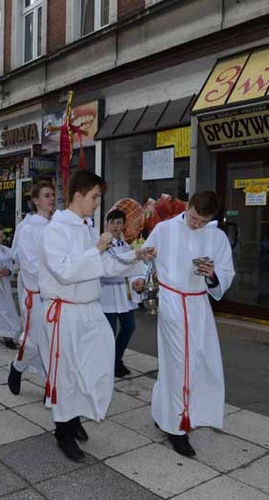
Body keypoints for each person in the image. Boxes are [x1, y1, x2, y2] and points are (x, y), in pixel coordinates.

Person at [39, 171, 154, 462]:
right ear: (78, 195)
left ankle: (74, 417)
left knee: (91, 365)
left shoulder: (86, 227)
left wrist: (135, 259)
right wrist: (97, 250)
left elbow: (103, 265)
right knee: (67, 373)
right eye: (94, 197)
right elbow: (64, 272)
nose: (96, 203)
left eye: (98, 198)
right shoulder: (56, 229)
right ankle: (62, 431)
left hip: (89, 308)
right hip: (65, 310)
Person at [143, 190, 235, 457]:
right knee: (178, 362)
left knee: (198, 361)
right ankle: (176, 428)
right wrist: (140, 279)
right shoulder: (164, 229)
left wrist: (213, 275)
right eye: (194, 218)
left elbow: (227, 272)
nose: (196, 225)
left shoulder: (216, 236)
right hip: (172, 302)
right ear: (188, 206)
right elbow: (146, 258)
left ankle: (169, 412)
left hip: (198, 306)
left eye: (202, 222)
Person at [7, 181, 55, 394]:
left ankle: (50, 385)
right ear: (35, 201)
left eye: (53, 195)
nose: (51, 199)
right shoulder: (28, 228)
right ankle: (17, 367)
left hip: (56, 293)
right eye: (46, 195)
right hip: (36, 293)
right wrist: (57, 274)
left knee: (53, 340)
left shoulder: (57, 225)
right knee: (34, 341)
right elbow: (28, 263)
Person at [100, 209, 147, 378]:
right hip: (106, 295)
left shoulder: (127, 246)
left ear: (123, 225)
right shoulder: (101, 245)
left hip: (122, 295)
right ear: (107, 224)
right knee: (109, 333)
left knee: (129, 327)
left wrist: (138, 280)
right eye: (112, 222)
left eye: (119, 222)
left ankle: (116, 359)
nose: (115, 226)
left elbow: (133, 267)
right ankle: (110, 364)